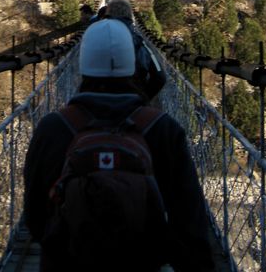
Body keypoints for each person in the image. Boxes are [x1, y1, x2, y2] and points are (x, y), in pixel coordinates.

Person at [23, 20, 214, 272]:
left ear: (82, 65)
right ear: (133, 64)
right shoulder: (162, 129)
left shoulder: (53, 128)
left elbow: (35, 218)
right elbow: (191, 225)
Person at [105, 0, 166, 100]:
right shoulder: (140, 43)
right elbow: (160, 77)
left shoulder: (96, 39)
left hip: (101, 104)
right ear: (130, 17)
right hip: (132, 103)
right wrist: (143, 99)